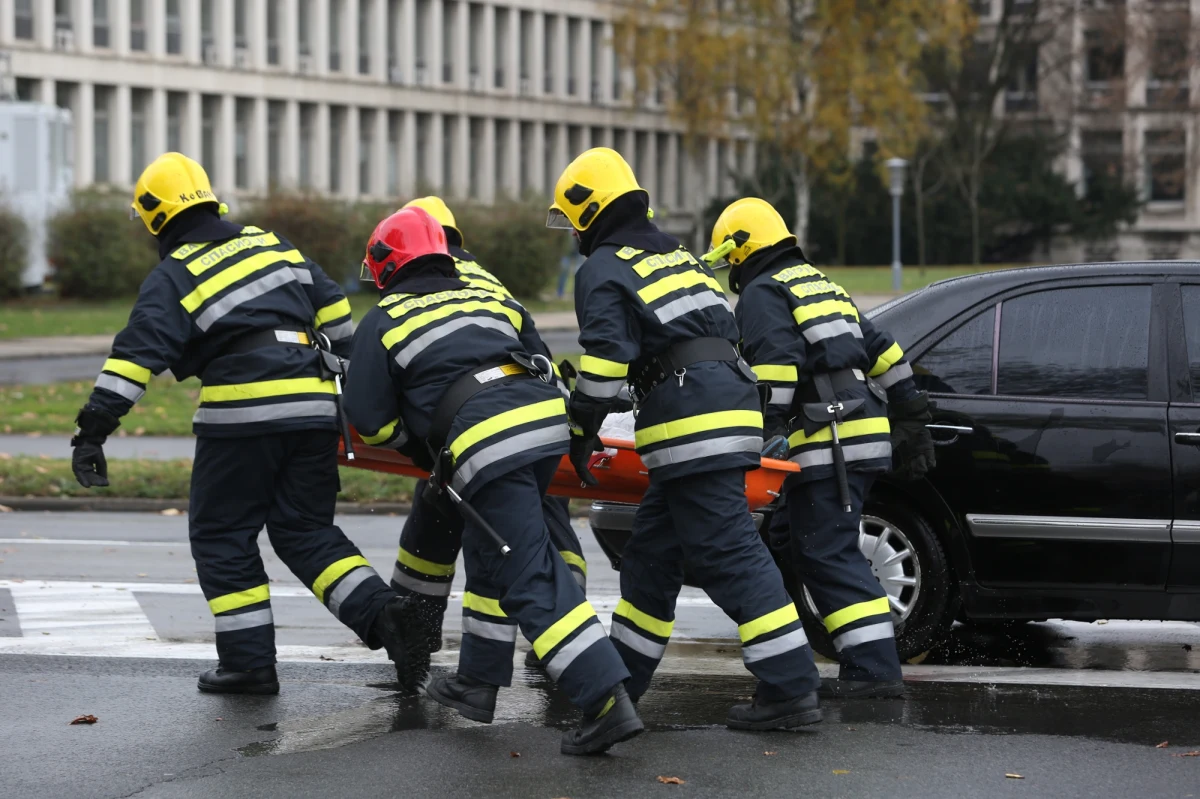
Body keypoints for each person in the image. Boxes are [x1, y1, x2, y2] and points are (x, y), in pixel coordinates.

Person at [68, 152, 423, 695]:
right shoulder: (273, 245)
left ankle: (249, 664)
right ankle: (387, 619)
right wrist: (348, 382)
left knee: (221, 534)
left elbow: (136, 356)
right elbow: (334, 310)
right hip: (312, 409)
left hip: (242, 413)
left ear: (156, 218)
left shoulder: (176, 272)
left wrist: (93, 430)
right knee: (305, 530)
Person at [343, 206, 642, 755]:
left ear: (386, 264)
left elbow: (370, 420)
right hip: (544, 429)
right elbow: (543, 360)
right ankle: (477, 683)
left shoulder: (385, 319)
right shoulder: (491, 297)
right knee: (491, 550)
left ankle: (606, 700)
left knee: (530, 576)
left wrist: (421, 446)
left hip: (488, 444)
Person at [547, 147, 823, 731]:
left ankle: (792, 689)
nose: (571, 233)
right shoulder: (678, 254)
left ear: (587, 210)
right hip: (727, 404)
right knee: (649, 560)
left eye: (571, 220)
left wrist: (580, 430)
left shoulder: (602, 267)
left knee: (731, 555)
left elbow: (604, 361)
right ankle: (615, 694)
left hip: (689, 423)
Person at [708, 197, 936, 699]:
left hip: (826, 444)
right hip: (855, 435)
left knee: (829, 553)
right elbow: (883, 350)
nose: (732, 275)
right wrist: (911, 413)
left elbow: (776, 367)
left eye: (731, 262)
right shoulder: (819, 285)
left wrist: (759, 433)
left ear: (743, 252)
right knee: (789, 544)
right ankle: (799, 658)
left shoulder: (764, 293)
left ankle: (874, 672)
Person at [387, 197, 589, 667]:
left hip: (471, 435)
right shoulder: (489, 282)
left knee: (435, 526)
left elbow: (397, 365)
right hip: (540, 424)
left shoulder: (414, 280)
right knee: (546, 528)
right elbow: (534, 350)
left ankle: (415, 635)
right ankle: (568, 642)